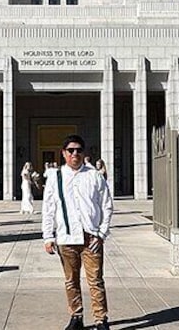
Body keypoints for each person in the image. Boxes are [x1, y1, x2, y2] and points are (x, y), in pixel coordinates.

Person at [42, 135, 113, 330]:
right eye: (71, 150)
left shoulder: (94, 176)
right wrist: (48, 236)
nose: (75, 154)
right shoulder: (55, 177)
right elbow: (48, 208)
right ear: (63, 153)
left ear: (84, 153)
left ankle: (101, 319)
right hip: (66, 237)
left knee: (96, 280)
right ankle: (77, 316)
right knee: (71, 280)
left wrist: (101, 233)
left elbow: (107, 205)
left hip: (91, 237)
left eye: (79, 150)